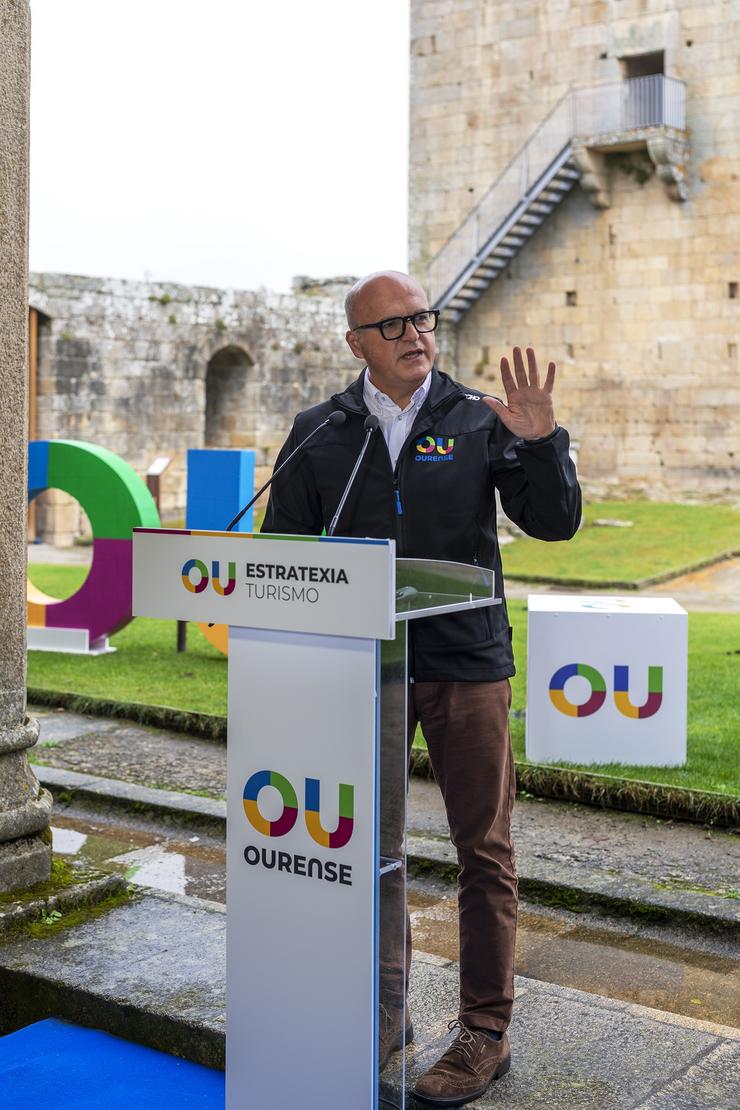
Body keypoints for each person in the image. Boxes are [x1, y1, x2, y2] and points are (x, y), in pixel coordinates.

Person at [262, 270, 581, 1107]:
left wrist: (543, 444)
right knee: (365, 851)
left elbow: (554, 522)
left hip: (465, 663)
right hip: (364, 669)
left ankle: (485, 1031)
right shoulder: (319, 431)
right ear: (356, 343)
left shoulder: (481, 418)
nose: (414, 334)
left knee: (484, 849)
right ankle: (382, 1007)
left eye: (422, 318)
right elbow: (282, 558)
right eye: (392, 324)